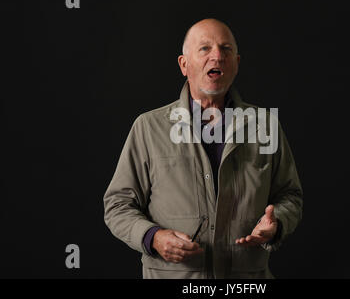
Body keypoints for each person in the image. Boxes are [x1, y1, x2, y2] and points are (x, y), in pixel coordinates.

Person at [103, 18, 303, 279]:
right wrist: (153, 238)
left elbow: (291, 196)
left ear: (237, 64)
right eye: (205, 48)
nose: (217, 56)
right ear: (184, 65)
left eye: (226, 49)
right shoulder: (148, 128)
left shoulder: (265, 125)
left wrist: (276, 223)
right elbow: (118, 205)